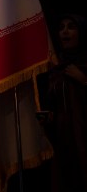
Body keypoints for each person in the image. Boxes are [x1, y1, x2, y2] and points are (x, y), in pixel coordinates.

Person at [38, 12, 87, 191]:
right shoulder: (55, 69)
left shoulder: (83, 65)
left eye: (71, 27)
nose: (65, 32)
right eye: (61, 28)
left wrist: (83, 80)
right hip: (62, 142)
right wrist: (48, 117)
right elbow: (53, 104)